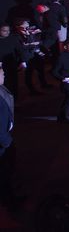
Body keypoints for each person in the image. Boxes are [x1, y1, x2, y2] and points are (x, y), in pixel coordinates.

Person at [0, 67, 16, 208]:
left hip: (6, 137)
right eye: (2, 73)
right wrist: (6, 142)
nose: (4, 74)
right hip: (3, 143)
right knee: (4, 173)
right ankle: (10, 201)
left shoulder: (1, 89)